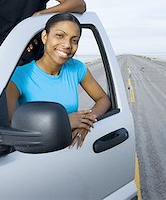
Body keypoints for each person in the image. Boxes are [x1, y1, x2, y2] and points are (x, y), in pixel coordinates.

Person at [6, 13, 111, 148]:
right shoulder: (18, 76)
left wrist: (87, 120)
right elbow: (12, 125)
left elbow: (103, 99)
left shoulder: (76, 68)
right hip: (35, 153)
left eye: (74, 40)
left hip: (70, 150)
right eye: (60, 36)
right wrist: (65, 122)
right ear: (45, 37)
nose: (67, 45)